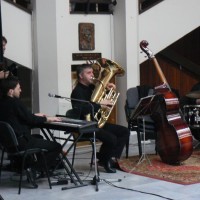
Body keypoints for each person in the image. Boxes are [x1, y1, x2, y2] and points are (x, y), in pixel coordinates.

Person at [0, 76, 62, 184]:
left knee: (39, 137)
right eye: (18, 88)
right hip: (22, 142)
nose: (21, 90)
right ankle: (36, 170)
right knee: (56, 146)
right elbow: (31, 120)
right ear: (11, 91)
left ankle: (35, 168)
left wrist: (33, 115)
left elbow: (19, 118)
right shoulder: (16, 102)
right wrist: (47, 118)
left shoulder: (2, 103)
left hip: (8, 145)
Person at [70, 63, 130, 173]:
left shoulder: (92, 87)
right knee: (111, 138)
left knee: (124, 131)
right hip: (85, 125)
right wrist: (100, 104)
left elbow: (102, 98)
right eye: (88, 73)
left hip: (96, 122)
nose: (92, 75)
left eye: (92, 72)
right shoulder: (77, 92)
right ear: (80, 76)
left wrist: (108, 90)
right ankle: (105, 160)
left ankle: (108, 158)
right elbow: (82, 110)